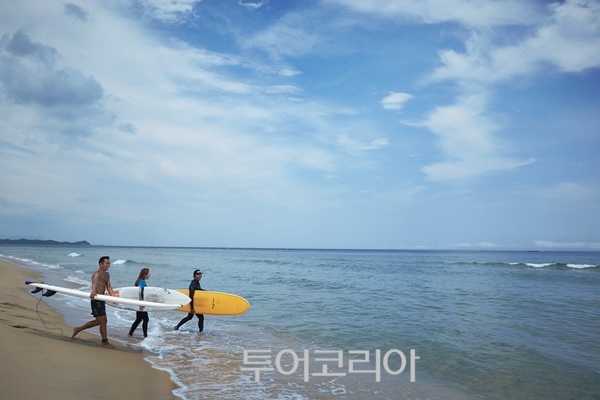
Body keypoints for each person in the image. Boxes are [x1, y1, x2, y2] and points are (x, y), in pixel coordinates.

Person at [71, 256, 115, 348]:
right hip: (96, 300)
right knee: (102, 320)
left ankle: (78, 329)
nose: (108, 265)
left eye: (109, 263)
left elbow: (108, 286)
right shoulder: (96, 275)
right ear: (101, 264)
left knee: (101, 321)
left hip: (102, 299)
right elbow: (94, 284)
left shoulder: (107, 275)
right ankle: (104, 341)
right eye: (106, 263)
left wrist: (113, 297)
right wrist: (93, 291)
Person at [128, 268, 151, 338]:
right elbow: (141, 292)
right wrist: (141, 303)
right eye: (148, 273)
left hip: (137, 302)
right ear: (145, 274)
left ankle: (130, 333)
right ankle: (145, 336)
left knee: (138, 319)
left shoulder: (139, 280)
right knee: (146, 319)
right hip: (140, 303)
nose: (149, 275)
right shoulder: (142, 281)